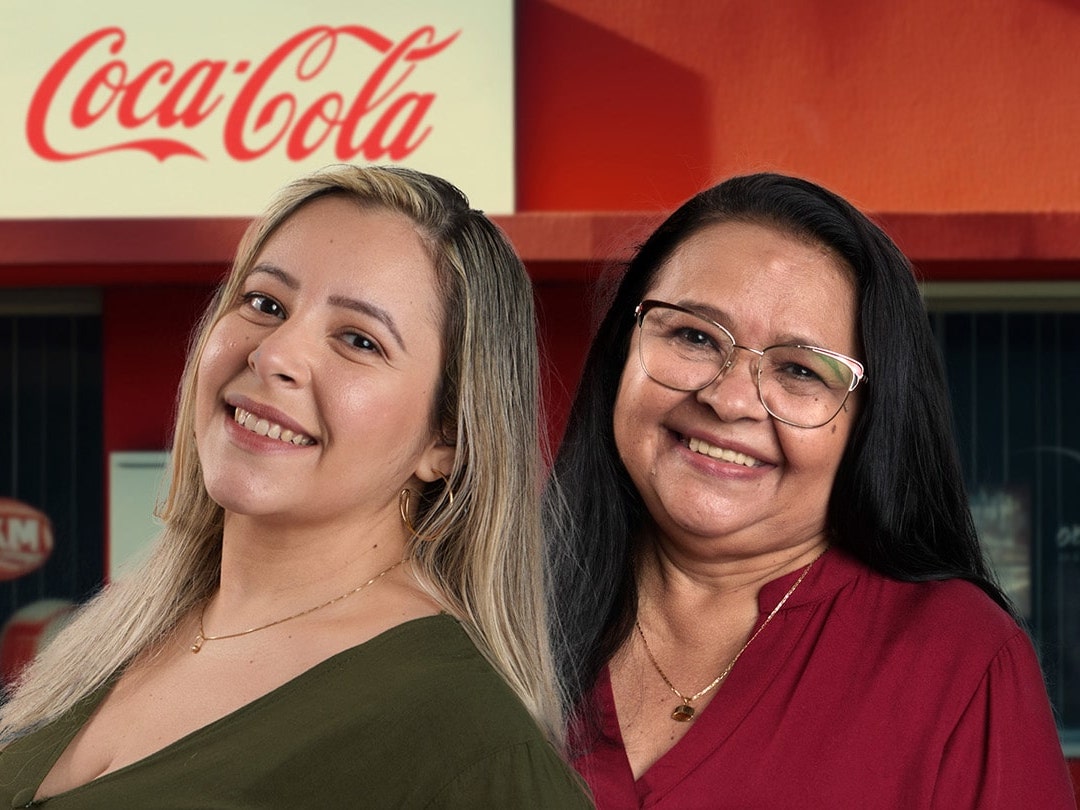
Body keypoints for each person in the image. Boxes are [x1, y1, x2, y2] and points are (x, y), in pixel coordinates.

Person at [0, 165, 592, 807]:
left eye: (359, 340)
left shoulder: (469, 742)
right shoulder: (115, 637)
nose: (275, 353)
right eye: (264, 303)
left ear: (445, 439)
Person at [546, 172, 1076, 808]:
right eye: (692, 335)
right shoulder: (490, 610)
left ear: (869, 424)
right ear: (620, 353)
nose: (729, 398)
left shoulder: (961, 662)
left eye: (800, 370)